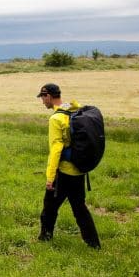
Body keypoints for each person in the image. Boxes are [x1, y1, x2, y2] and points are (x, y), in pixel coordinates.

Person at [36, 83, 101, 249]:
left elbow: (56, 150)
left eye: (43, 98)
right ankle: (94, 244)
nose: (42, 102)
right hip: (79, 171)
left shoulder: (56, 119)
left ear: (48, 96)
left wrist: (50, 177)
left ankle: (45, 238)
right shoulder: (74, 110)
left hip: (63, 172)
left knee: (49, 208)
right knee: (80, 209)